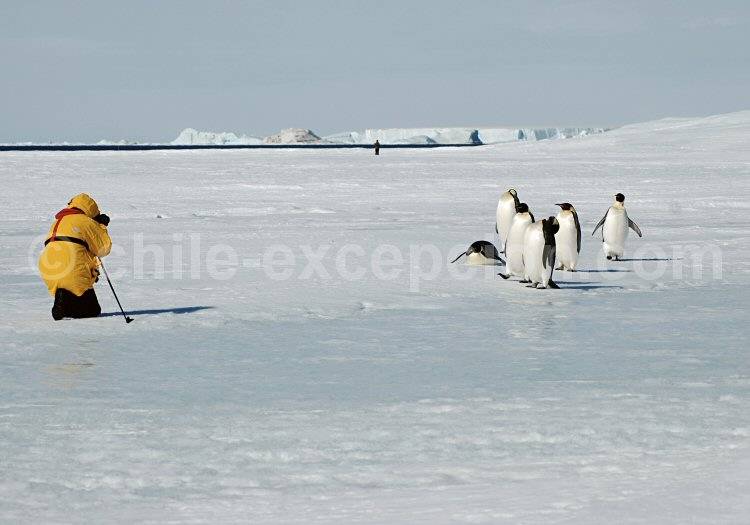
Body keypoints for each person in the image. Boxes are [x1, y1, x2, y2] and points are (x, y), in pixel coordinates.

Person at [38, 193, 112, 320]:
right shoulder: (86, 221)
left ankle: (63, 297)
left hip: (48, 270)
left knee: (74, 291)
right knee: (92, 311)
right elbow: (104, 248)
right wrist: (101, 226)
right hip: (73, 269)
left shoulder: (58, 222)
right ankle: (63, 303)